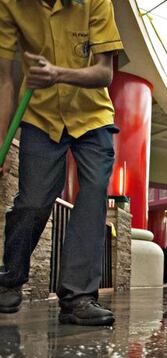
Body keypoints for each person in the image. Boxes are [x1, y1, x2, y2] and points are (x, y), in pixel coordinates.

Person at [0, 0, 124, 326]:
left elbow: (104, 73)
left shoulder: (96, 2)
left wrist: (58, 74)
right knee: (32, 201)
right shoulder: (10, 5)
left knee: (93, 194)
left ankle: (78, 299)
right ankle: (9, 280)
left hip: (93, 117)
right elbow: (4, 79)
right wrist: (2, 144)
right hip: (40, 116)